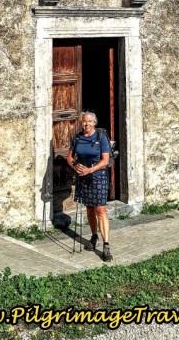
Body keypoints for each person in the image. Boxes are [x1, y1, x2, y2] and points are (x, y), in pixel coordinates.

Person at [67, 110, 113, 261]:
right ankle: (94, 236)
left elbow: (105, 160)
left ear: (94, 123)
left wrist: (90, 169)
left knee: (100, 209)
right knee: (90, 208)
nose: (86, 124)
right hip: (83, 178)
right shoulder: (77, 137)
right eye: (84, 121)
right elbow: (69, 157)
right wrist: (75, 166)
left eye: (89, 121)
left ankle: (106, 245)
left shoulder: (101, 138)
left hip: (98, 177)